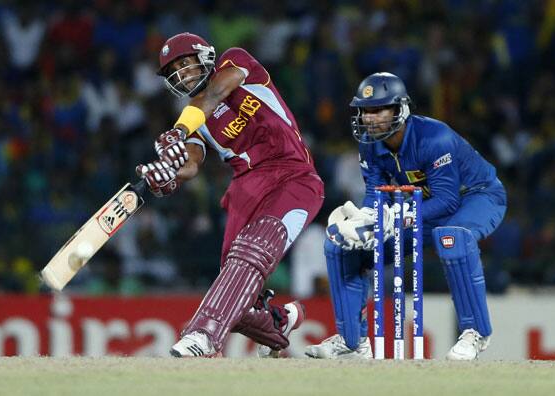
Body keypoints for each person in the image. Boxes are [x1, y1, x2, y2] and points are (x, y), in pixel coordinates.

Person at [136, 32, 324, 357]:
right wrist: (166, 173)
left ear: (205, 56)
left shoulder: (235, 61)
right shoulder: (191, 117)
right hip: (246, 189)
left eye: (185, 63)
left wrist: (178, 132)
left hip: (292, 175)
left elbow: (214, 93)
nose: (181, 74)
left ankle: (204, 335)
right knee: (235, 293)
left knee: (251, 254)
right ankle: (279, 322)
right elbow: (191, 165)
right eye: (173, 72)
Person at [305, 72, 506, 360]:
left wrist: (396, 218)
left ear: (400, 109)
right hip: (422, 205)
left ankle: (475, 333)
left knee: (452, 236)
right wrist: (368, 220)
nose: (369, 118)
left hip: (476, 196)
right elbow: (375, 191)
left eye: (377, 110)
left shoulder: (435, 138)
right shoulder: (370, 143)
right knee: (342, 247)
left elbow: (448, 201)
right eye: (364, 111)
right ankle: (353, 341)